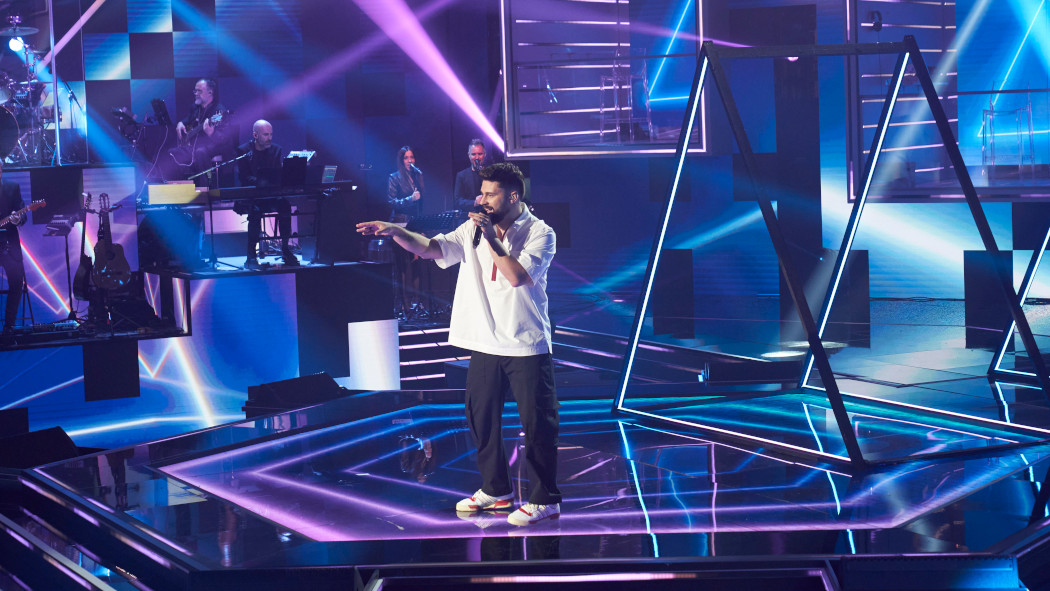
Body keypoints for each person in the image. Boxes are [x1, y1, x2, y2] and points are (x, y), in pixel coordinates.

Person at [357, 162, 560, 526]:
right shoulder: (472, 229)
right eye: (481, 193)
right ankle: (496, 490)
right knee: (481, 419)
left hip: (525, 342)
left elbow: (516, 276)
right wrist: (396, 231)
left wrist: (491, 237)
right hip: (484, 341)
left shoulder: (540, 233)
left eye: (490, 194)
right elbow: (432, 248)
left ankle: (545, 499)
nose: (482, 200)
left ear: (514, 196)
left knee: (537, 424)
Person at [235, 119, 296, 268]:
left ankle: (285, 249)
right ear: (255, 135)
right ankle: (251, 255)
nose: (269, 138)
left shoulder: (276, 150)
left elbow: (278, 173)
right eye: (266, 134)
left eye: (271, 134)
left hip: (271, 194)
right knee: (255, 212)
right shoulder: (244, 151)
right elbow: (244, 177)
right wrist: (262, 181)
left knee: (285, 206)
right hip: (253, 196)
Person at [165, 78, 234, 182]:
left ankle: (205, 186)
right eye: (195, 91)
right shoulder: (195, 108)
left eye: (199, 91)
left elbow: (224, 139)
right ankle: (180, 185)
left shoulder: (219, 111)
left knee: (200, 152)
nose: (196, 93)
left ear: (210, 92)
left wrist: (212, 133)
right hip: (196, 146)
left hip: (216, 146)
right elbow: (188, 120)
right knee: (172, 153)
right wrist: (181, 123)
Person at [387, 146, 424, 315]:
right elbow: (391, 202)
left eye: (412, 157)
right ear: (401, 160)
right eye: (406, 158)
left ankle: (417, 302)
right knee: (402, 266)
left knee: (417, 262)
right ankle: (404, 304)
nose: (410, 161)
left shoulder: (417, 177)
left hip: (414, 224)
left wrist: (421, 227)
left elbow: (421, 204)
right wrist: (410, 199)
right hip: (400, 224)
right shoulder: (394, 177)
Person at [0, 161, 26, 335]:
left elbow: (22, 214)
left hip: (10, 245)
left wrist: (18, 219)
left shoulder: (12, 187)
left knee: (16, 283)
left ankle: (9, 327)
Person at [453, 138, 486, 210]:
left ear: (484, 154)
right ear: (469, 155)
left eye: (480, 154)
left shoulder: (492, 174)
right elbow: (457, 201)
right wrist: (474, 203)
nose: (477, 157)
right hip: (470, 215)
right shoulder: (461, 176)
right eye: (473, 154)